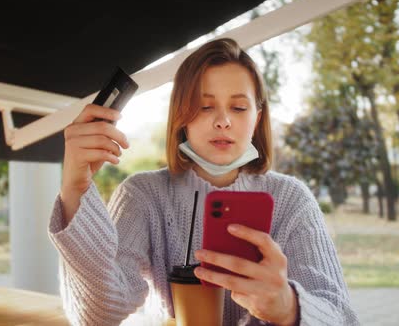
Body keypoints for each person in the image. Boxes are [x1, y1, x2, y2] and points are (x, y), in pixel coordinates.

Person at [49, 38, 360, 326]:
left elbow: (342, 318)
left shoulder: (292, 199)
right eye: (205, 105)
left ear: (258, 118)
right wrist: (75, 189)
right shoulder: (141, 196)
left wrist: (288, 307)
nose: (222, 120)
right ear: (181, 116)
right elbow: (96, 315)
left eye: (238, 107)